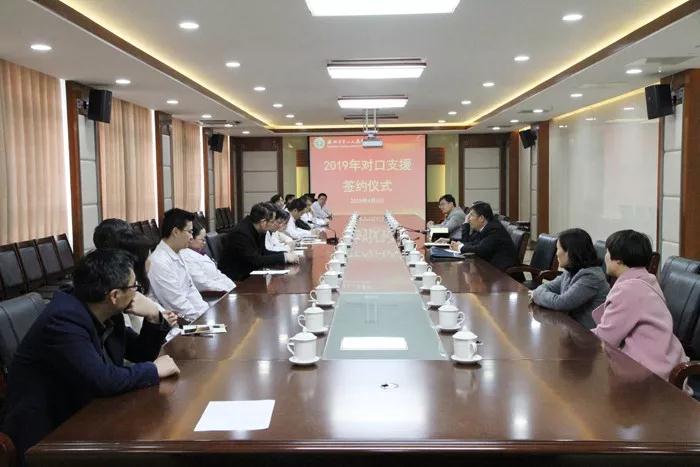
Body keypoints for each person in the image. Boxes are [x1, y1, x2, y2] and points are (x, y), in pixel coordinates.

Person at [0, 249, 180, 463]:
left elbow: (140, 353)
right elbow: (102, 380)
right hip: (48, 432)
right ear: (114, 295)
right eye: (134, 287)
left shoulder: (106, 311)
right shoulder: (63, 320)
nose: (137, 293)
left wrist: (153, 317)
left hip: (86, 411)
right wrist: (153, 370)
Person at [591, 230, 687, 380]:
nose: (605, 257)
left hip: (648, 371)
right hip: (666, 360)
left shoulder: (628, 289)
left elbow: (606, 337)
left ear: (619, 259)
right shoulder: (647, 278)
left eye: (608, 252)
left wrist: (575, 338)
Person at [531, 228, 610, 329]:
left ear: (570, 252)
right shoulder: (571, 271)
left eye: (558, 249)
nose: (556, 253)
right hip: (569, 326)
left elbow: (561, 303)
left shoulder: (591, 277)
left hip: (587, 334)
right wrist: (539, 292)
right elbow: (547, 287)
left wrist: (536, 294)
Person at [148, 208, 209, 322]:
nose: (191, 237)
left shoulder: (178, 253)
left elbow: (191, 290)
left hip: (193, 318)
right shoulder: (159, 262)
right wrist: (202, 320)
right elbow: (176, 304)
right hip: (177, 324)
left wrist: (206, 313)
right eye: (189, 232)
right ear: (175, 232)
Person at [222, 202, 299, 280]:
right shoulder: (241, 233)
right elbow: (255, 260)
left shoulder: (259, 229)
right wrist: (284, 257)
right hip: (237, 278)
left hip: (250, 271)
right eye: (272, 221)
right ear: (263, 222)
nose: (274, 224)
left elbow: (263, 252)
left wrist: (285, 254)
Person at [450, 201, 518, 271]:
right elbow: (474, 243)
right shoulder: (485, 227)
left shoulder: (493, 229)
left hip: (503, 273)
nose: (469, 218)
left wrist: (460, 247)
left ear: (481, 218)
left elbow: (480, 249)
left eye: (471, 215)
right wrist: (458, 244)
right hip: (491, 267)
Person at [180, 222, 236, 293]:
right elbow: (201, 283)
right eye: (202, 240)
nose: (205, 243)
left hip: (221, 289)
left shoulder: (199, 253)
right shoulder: (187, 257)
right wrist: (226, 289)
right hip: (214, 294)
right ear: (191, 239)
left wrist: (232, 287)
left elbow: (218, 274)